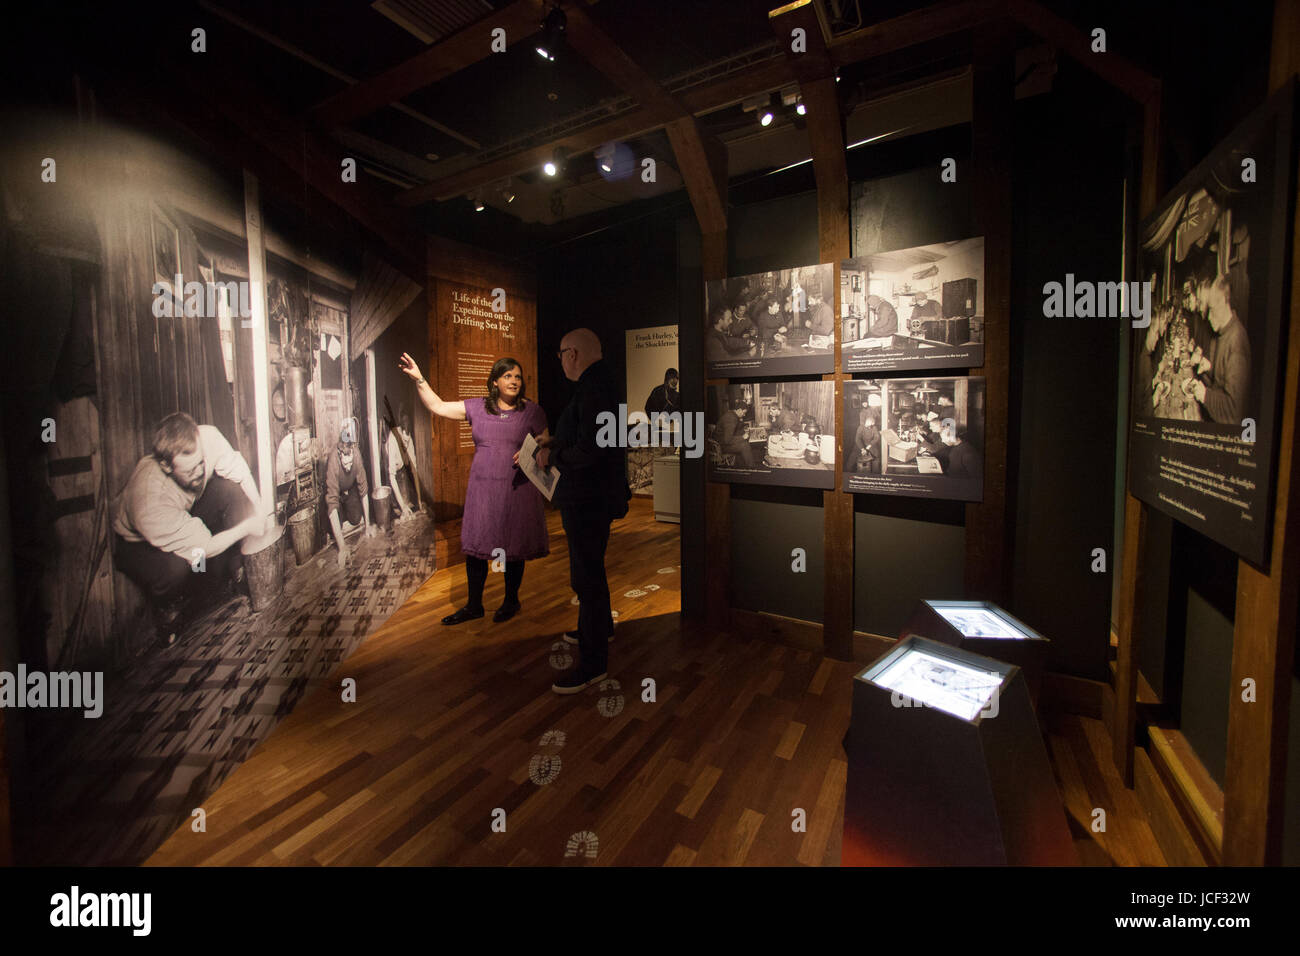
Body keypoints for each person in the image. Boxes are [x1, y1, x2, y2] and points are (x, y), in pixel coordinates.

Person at [400, 352, 549, 624]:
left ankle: (511, 600)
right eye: (507, 376)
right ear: (494, 382)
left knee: (512, 546)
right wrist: (420, 379)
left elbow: (546, 444)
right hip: (483, 489)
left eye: (517, 376)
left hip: (517, 488)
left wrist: (535, 448)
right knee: (476, 545)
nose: (514, 381)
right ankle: (474, 605)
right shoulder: (478, 407)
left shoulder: (532, 410)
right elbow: (439, 407)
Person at [530, 328, 630, 694]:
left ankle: (593, 665)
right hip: (594, 497)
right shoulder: (599, 384)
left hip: (588, 499)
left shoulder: (593, 389)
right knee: (591, 570)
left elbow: (591, 451)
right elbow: (591, 439)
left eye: (560, 354)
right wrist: (556, 441)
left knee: (585, 577)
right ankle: (599, 628)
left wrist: (549, 455)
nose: (560, 362)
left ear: (572, 354)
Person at [113, 412, 267, 642]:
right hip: (140, 545)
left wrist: (259, 511)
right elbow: (204, 547)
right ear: (166, 466)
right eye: (189, 471)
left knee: (230, 490)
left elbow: (239, 470)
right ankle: (168, 607)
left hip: (185, 514)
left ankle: (237, 569)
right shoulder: (148, 502)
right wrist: (248, 526)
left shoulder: (207, 438)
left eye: (201, 464)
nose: (199, 473)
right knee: (181, 566)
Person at [1183, 275, 1251, 424]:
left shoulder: (1236, 341)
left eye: (1211, 309)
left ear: (1223, 303)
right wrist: (1208, 368)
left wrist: (1205, 395)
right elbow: (1220, 381)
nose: (1208, 317)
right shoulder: (1223, 333)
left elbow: (1234, 412)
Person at [326, 417, 376, 569]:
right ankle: (340, 521)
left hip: (349, 490)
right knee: (333, 527)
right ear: (340, 453)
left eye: (350, 460)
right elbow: (331, 503)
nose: (348, 465)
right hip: (337, 493)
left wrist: (367, 526)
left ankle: (349, 512)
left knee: (356, 519)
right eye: (345, 461)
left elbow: (364, 490)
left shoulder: (356, 455)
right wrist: (342, 547)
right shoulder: (333, 460)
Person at [386, 405, 421, 520]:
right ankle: (395, 503)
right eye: (404, 441)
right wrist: (403, 507)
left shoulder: (409, 439)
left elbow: (414, 470)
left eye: (407, 441)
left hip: (400, 467)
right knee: (398, 508)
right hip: (389, 470)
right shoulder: (393, 438)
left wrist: (420, 500)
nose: (406, 443)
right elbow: (391, 476)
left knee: (407, 503)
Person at [716, 398, 754, 467]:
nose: (744, 415)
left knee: (745, 440)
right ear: (739, 410)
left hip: (723, 441)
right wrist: (742, 437)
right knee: (745, 446)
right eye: (744, 413)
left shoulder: (732, 414)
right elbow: (727, 440)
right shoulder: (730, 419)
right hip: (720, 446)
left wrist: (743, 430)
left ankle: (741, 464)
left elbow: (736, 428)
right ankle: (751, 468)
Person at [849, 409, 881, 474]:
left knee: (876, 458)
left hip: (870, 444)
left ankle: (876, 474)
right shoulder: (861, 427)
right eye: (867, 425)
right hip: (860, 444)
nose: (868, 427)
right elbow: (857, 439)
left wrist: (870, 444)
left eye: (870, 425)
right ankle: (848, 471)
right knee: (852, 459)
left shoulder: (874, 428)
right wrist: (862, 448)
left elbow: (877, 437)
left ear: (872, 424)